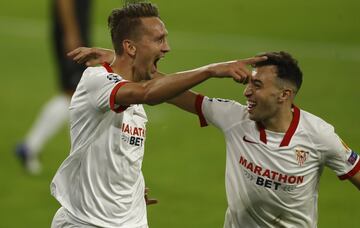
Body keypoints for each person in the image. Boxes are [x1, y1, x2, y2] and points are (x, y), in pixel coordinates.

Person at [71, 46, 360, 227]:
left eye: (257, 85)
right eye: (248, 83)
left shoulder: (319, 136)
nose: (247, 92)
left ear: (284, 95)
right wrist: (122, 62)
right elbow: (172, 92)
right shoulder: (236, 118)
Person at [50, 2, 266, 228]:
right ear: (131, 47)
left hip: (132, 220)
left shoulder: (133, 88)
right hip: (85, 222)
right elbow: (148, 93)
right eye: (159, 39)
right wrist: (210, 70)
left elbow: (171, 97)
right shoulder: (97, 81)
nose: (167, 48)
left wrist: (130, 188)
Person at [15, 0, 92, 174]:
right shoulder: (70, 30)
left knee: (75, 94)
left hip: (74, 31)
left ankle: (30, 146)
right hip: (71, 32)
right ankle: (32, 146)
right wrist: (71, 32)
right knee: (76, 94)